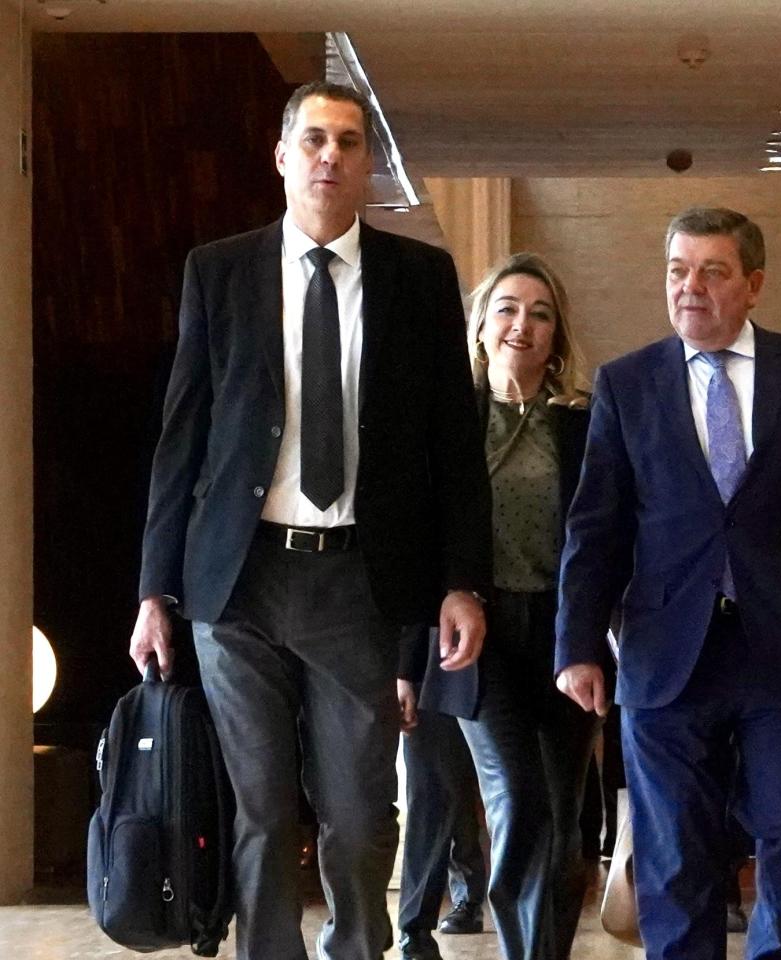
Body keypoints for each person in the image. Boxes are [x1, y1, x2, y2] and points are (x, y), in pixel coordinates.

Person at [129, 81, 490, 960]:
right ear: (283, 156)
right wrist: (154, 591)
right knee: (258, 810)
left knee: (359, 812)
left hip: (358, 581)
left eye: (350, 142)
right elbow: (182, 439)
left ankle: (355, 948)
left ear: (369, 166)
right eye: (316, 139)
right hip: (238, 579)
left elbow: (454, 443)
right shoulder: (220, 271)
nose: (331, 156)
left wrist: (461, 582)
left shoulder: (418, 280)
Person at [555, 206, 781, 960]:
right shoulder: (627, 383)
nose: (691, 287)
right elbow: (596, 527)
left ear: (753, 284)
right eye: (677, 271)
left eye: (712, 272)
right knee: (675, 850)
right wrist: (577, 645)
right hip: (665, 652)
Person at [400, 252, 604, 960]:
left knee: (566, 820)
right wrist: (406, 662)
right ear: (482, 325)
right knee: (519, 798)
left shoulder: (582, 424)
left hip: (563, 636)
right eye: (508, 309)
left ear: (557, 336)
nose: (523, 324)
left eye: (541, 314)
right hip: (476, 639)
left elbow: (605, 538)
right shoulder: (450, 420)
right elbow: (416, 548)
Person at [396, 709, 488, 959]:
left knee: (462, 787)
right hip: (425, 690)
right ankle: (415, 929)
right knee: (431, 788)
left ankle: (469, 897)